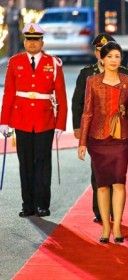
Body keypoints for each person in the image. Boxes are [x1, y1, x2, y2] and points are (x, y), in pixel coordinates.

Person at [0, 23, 68, 217]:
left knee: (43, 163)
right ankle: (27, 205)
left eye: (36, 40)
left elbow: (61, 96)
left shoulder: (53, 64)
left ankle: (42, 205)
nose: (32, 43)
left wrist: (60, 124)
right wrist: (4, 121)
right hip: (21, 120)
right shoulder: (15, 62)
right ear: (24, 41)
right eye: (29, 40)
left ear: (42, 42)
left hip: (45, 121)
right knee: (26, 163)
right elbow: (9, 94)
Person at [78, 41, 128, 244]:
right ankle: (105, 226)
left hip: (122, 138)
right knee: (103, 186)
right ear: (102, 59)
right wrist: (82, 142)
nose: (114, 60)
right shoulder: (92, 81)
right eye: (110, 56)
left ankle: (117, 225)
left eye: (117, 56)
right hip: (97, 139)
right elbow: (87, 112)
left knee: (119, 183)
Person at [71, 33, 128, 223]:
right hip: (95, 130)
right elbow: (77, 102)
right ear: (97, 53)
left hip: (118, 130)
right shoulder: (86, 73)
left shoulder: (123, 72)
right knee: (98, 170)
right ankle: (100, 211)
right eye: (99, 50)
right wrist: (78, 127)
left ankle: (115, 209)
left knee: (117, 171)